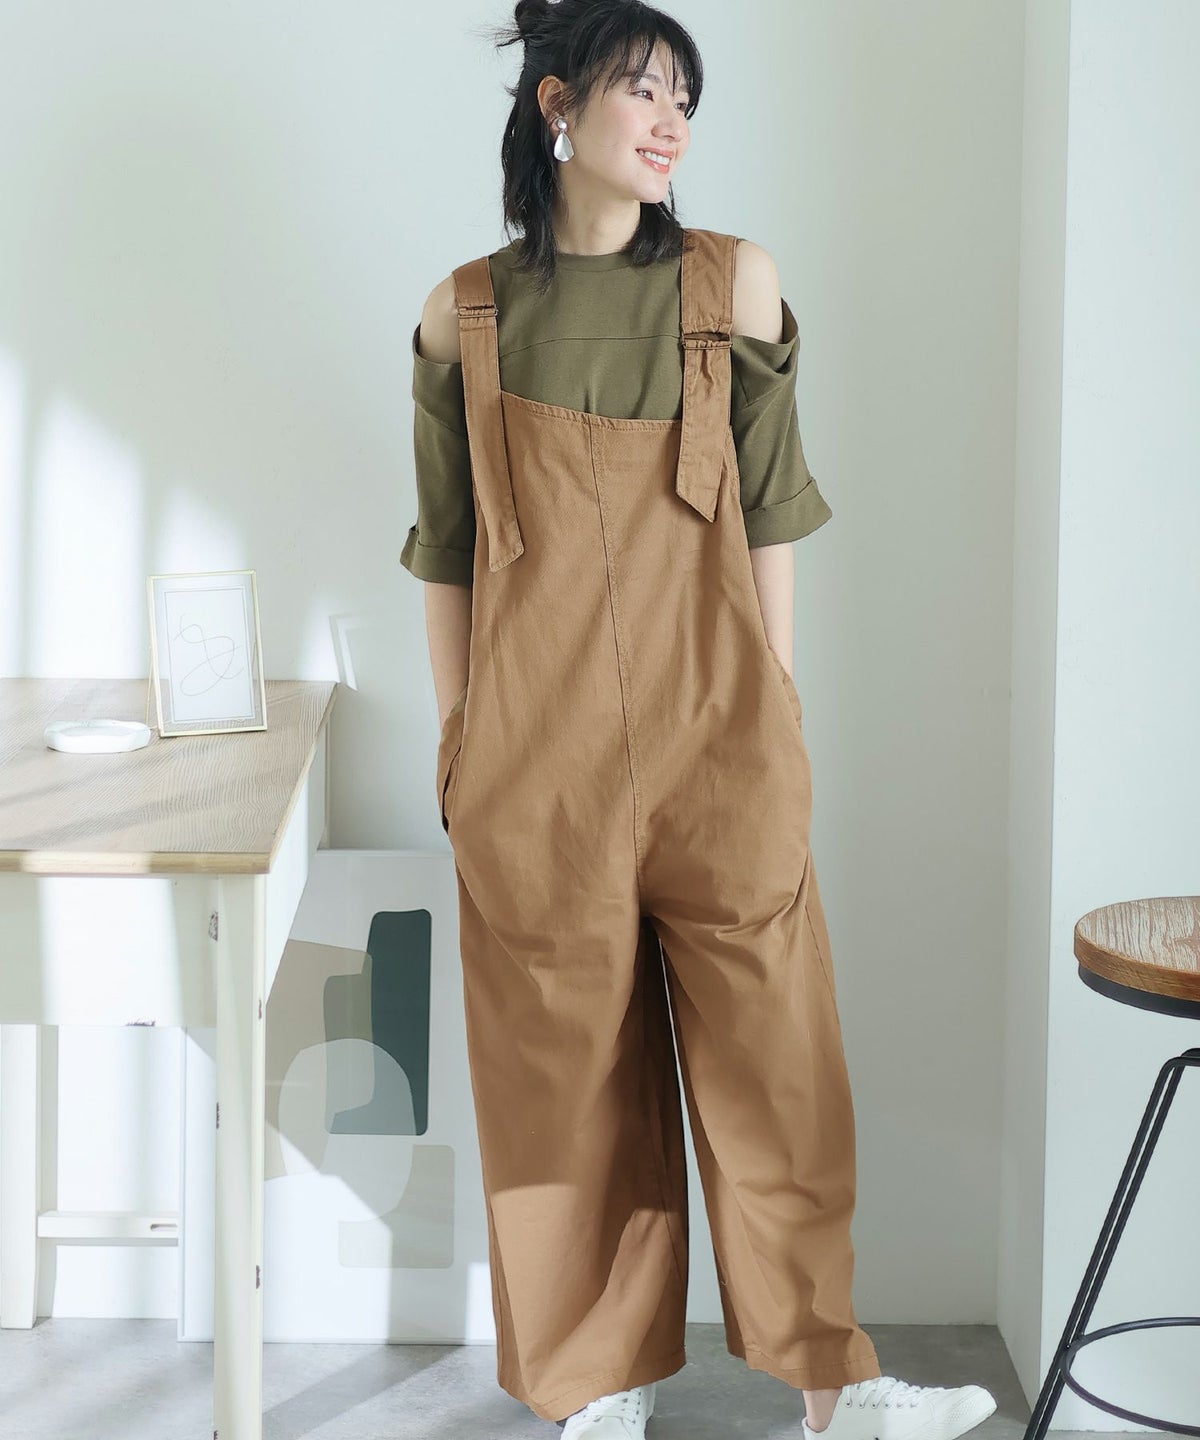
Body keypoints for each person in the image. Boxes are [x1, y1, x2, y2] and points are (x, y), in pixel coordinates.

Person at [401, 3, 999, 1438]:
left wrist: (777, 710)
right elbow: (448, 554)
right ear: (558, 105)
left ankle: (834, 1390)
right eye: (643, 90)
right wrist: (463, 743)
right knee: (562, 1080)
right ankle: (596, 1391)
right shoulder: (462, 314)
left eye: (687, 97)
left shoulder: (736, 286)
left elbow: (773, 515)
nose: (672, 121)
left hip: (722, 737)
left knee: (780, 1066)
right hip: (536, 765)